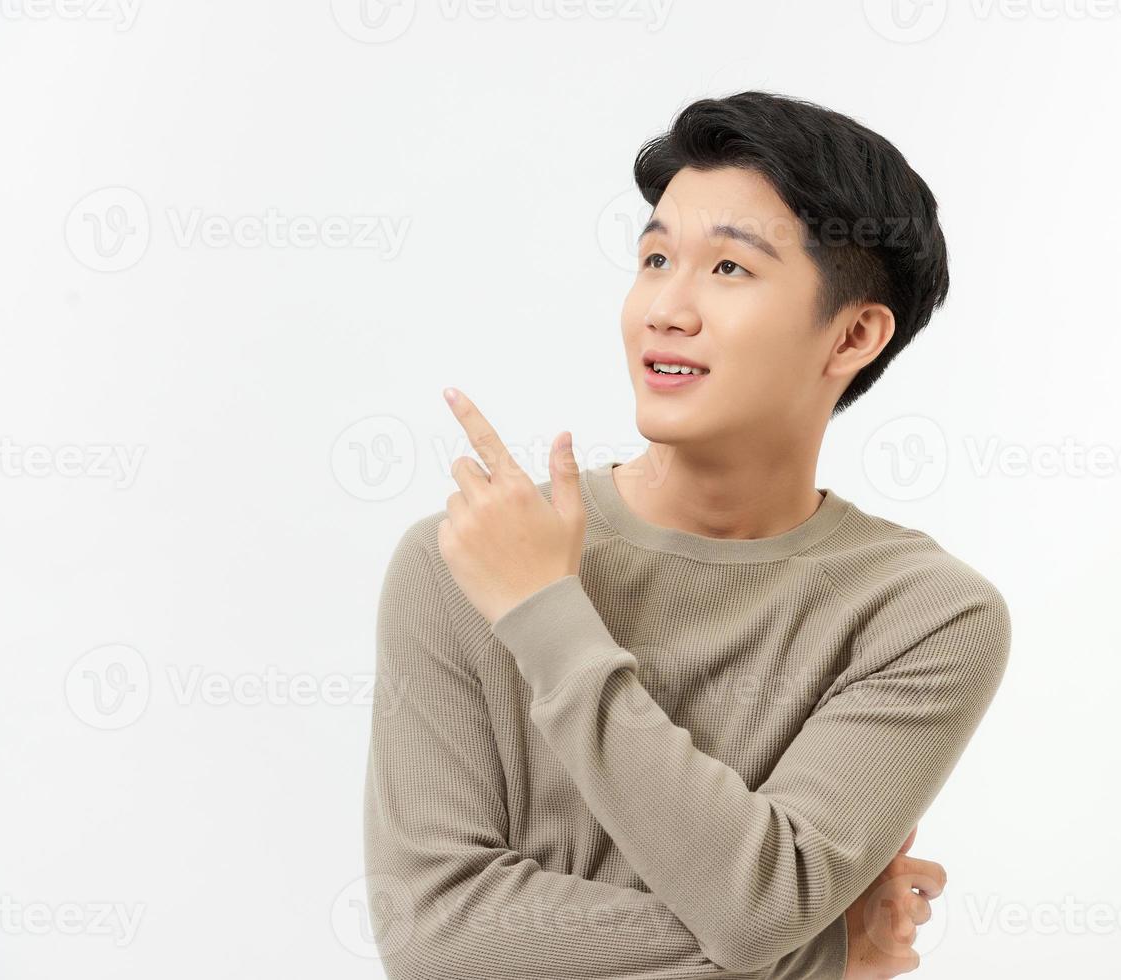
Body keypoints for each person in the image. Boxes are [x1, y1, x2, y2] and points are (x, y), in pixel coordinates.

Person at [362, 90, 1011, 979]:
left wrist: (547, 617)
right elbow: (435, 939)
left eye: (729, 270)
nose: (665, 308)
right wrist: (822, 942)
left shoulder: (925, 614)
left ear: (853, 334)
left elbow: (755, 910)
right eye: (655, 257)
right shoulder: (467, 558)